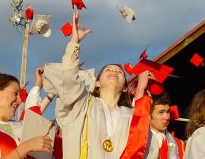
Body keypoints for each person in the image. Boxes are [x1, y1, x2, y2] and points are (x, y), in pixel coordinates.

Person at [42, 11, 152, 159]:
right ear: (97, 83)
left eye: (119, 72)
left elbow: (140, 146)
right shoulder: (82, 104)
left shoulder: (130, 116)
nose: (114, 71)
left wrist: (141, 93)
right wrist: (74, 42)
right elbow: (69, 81)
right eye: (108, 70)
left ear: (125, 87)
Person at [143, 92, 185, 159]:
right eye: (161, 112)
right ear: (148, 115)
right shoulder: (139, 144)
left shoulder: (180, 145)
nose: (167, 117)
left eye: (168, 112)